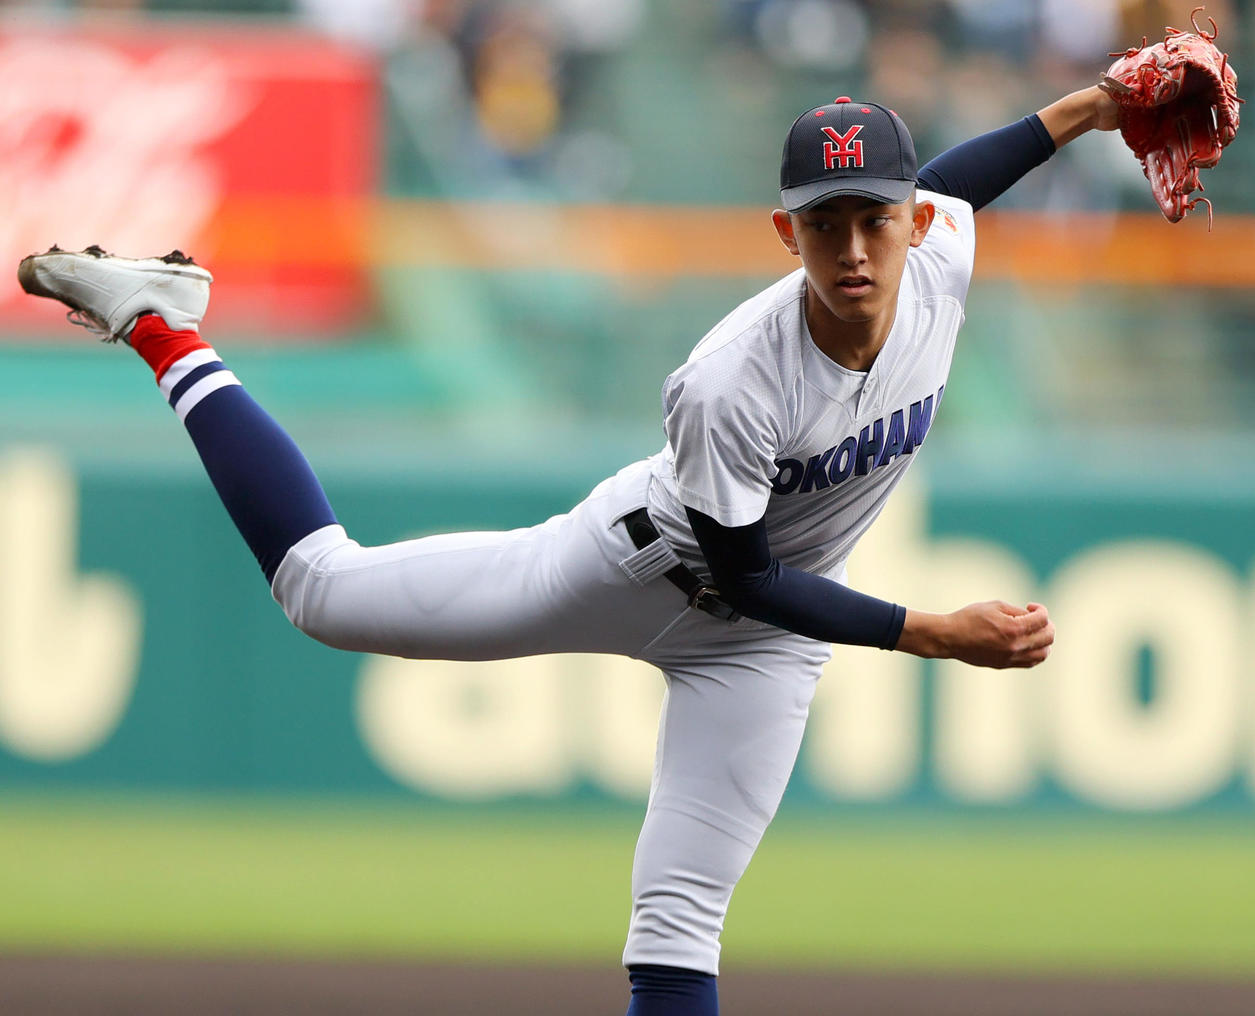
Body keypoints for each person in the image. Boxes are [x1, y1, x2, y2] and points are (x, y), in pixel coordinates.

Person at [19, 81, 1118, 1016]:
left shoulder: (943, 257)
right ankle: (165, 322)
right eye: (822, 223)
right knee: (319, 590)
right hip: (638, 566)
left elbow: (975, 173)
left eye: (874, 218)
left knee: (681, 917)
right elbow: (742, 572)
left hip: (764, 644)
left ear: (914, 222)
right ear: (785, 233)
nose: (851, 247)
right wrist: (929, 631)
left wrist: (1093, 106)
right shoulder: (735, 374)